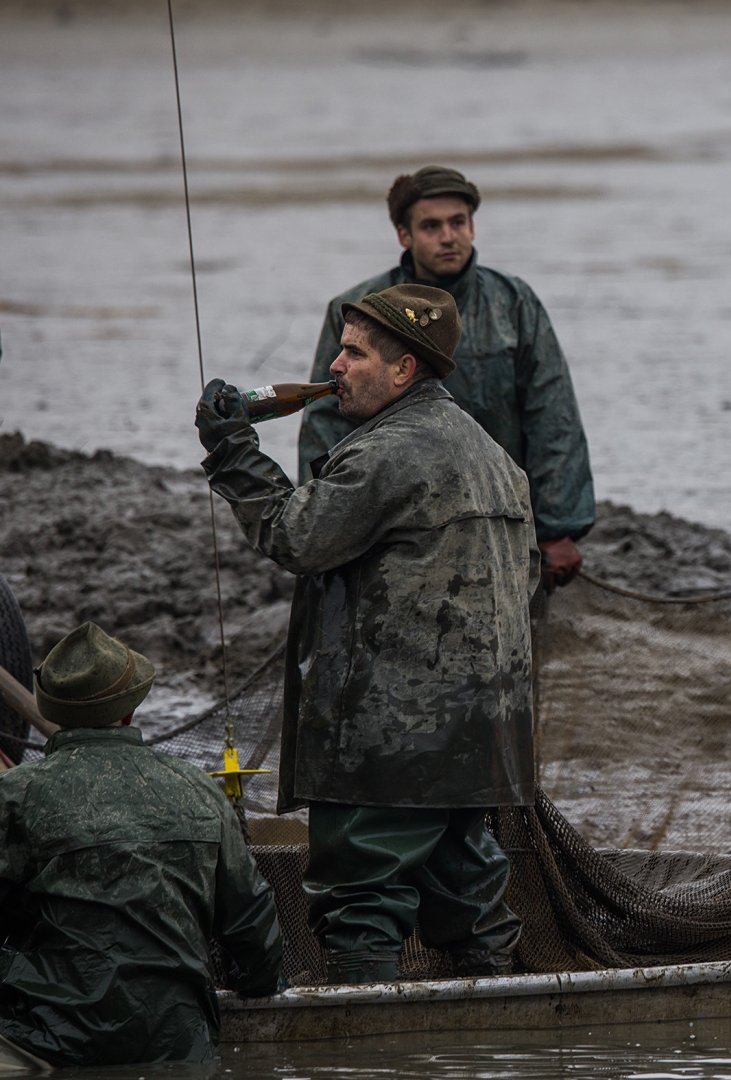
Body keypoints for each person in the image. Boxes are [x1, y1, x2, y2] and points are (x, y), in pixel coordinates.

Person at [197, 284, 537, 983]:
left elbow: (294, 535)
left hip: (388, 745)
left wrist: (232, 449)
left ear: (405, 369)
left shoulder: (387, 453)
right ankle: (499, 1024)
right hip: (483, 740)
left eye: (353, 353)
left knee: (360, 899)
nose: (336, 366)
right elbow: (524, 576)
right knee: (467, 893)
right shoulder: (493, 455)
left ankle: (365, 1026)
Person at [298, 165, 594, 591]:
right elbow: (325, 421)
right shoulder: (355, 310)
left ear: (472, 226)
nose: (449, 236)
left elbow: (553, 416)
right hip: (393, 526)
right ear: (404, 235)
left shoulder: (513, 304)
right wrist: (321, 524)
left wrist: (559, 527)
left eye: (458, 222)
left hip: (498, 516)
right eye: (431, 226)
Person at [0, 623, 283, 1066]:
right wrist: (253, 988)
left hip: (44, 1044)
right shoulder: (198, 788)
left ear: (51, 709)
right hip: (180, 1046)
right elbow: (252, 924)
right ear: (131, 712)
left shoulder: (15, 795)